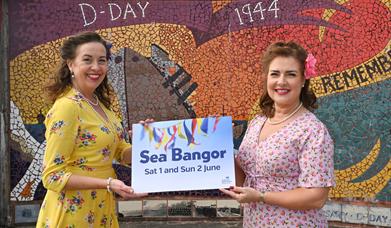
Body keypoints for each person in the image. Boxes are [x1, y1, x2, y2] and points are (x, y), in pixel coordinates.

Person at [36, 31, 146, 227]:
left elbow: (121, 154)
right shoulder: (67, 107)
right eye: (87, 60)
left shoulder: (101, 106)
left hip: (101, 207)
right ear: (71, 64)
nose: (96, 67)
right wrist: (107, 183)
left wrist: (148, 141)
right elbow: (52, 176)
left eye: (102, 61)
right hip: (72, 212)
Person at [220, 41, 335, 227]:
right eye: (275, 74)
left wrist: (262, 196)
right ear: (267, 78)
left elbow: (316, 197)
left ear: (303, 79)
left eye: (291, 74)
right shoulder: (258, 122)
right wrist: (220, 148)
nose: (281, 81)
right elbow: (246, 178)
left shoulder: (312, 130)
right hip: (255, 222)